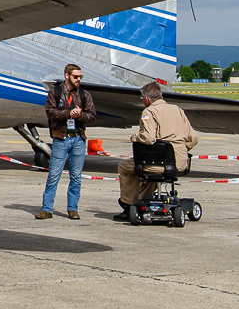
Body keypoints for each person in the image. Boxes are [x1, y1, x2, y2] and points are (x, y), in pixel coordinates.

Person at [115, 81, 199, 218]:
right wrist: (180, 149)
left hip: (158, 162)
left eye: (142, 99)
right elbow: (193, 138)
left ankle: (128, 203)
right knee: (152, 168)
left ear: (147, 99)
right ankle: (143, 198)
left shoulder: (149, 111)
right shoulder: (177, 110)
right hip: (179, 163)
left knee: (125, 167)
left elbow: (148, 138)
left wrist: (135, 137)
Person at [36, 63, 96, 219]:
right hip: (61, 139)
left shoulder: (84, 95)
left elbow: (92, 116)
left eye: (80, 77)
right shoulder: (55, 93)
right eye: (75, 76)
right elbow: (51, 113)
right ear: (67, 76)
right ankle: (47, 209)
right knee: (54, 175)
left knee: (76, 176)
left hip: (78, 140)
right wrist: (69, 113)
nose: (78, 79)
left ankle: (73, 208)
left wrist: (80, 115)